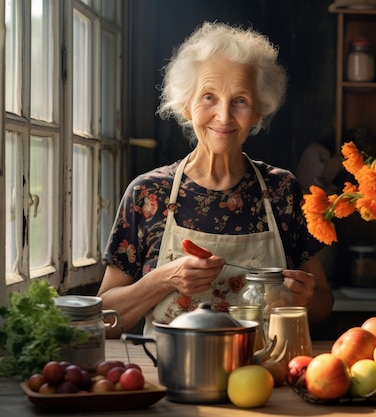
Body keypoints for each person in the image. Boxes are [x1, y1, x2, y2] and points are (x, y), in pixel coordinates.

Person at [96, 21, 334, 338]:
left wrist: (304, 298)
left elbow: (323, 305)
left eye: (241, 101)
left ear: (259, 111)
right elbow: (105, 319)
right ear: (186, 106)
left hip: (263, 380)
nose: (223, 117)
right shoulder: (147, 193)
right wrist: (163, 279)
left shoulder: (283, 190)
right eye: (208, 97)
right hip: (173, 378)